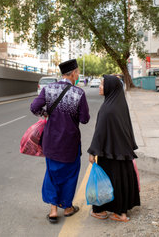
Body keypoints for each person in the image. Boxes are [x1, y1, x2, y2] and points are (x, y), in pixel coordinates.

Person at [30, 59, 90, 224]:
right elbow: (85, 119)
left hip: (51, 141)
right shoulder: (78, 93)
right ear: (72, 74)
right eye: (77, 72)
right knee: (70, 174)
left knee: (52, 173)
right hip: (70, 142)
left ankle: (53, 210)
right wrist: (73, 115)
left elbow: (34, 107)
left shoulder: (48, 89)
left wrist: (46, 114)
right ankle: (68, 208)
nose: (78, 75)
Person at [88, 75, 140, 222]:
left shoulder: (107, 109)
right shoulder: (120, 104)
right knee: (121, 180)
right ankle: (121, 213)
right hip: (122, 152)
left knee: (107, 181)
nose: (100, 86)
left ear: (110, 88)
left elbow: (99, 133)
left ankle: (101, 211)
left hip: (108, 152)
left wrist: (93, 151)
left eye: (103, 84)